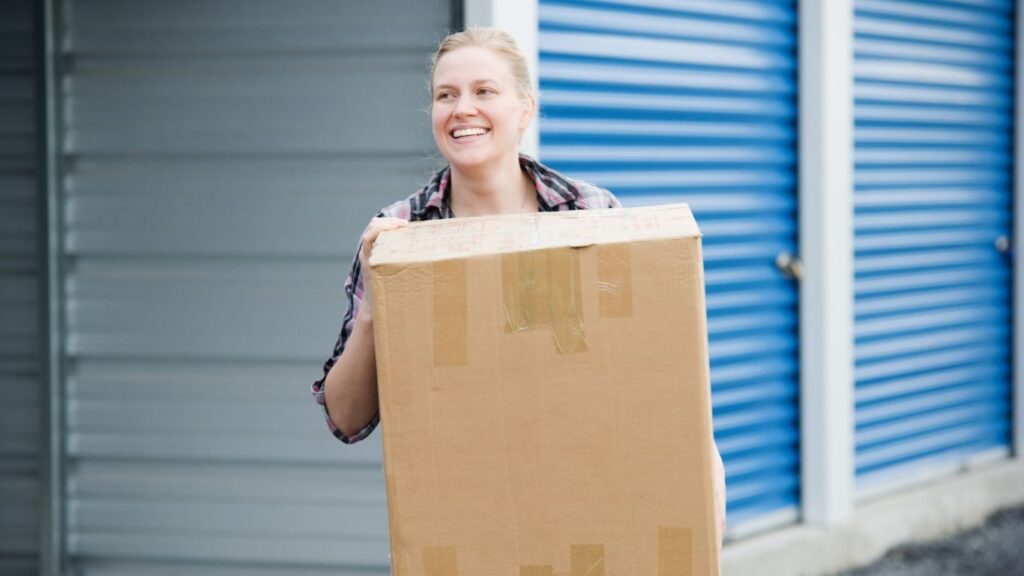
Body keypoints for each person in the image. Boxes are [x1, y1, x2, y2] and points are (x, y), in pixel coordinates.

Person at [310, 26, 726, 543]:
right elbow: (345, 419)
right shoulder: (399, 235)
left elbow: (655, 382)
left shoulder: (590, 215)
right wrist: (376, 306)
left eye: (484, 91)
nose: (463, 108)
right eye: (447, 95)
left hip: (592, 520)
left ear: (525, 109)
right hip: (466, 531)